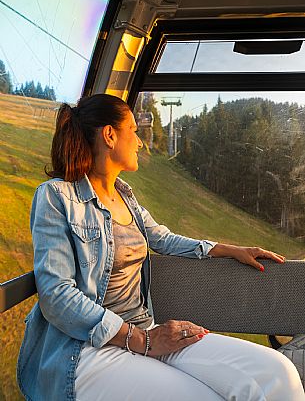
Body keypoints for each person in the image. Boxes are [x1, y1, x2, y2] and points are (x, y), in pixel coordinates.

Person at [17, 94, 304, 401]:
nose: (139, 141)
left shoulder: (125, 197)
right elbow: (56, 293)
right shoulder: (56, 197)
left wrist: (229, 249)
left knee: (276, 373)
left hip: (144, 329)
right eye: (133, 130)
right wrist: (140, 341)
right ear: (110, 135)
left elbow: (163, 239)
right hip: (88, 348)